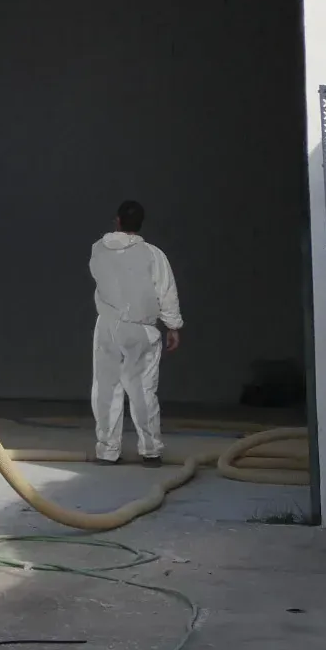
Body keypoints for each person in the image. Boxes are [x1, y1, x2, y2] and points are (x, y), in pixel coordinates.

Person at [89, 200, 182, 466]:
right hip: (141, 329)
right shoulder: (153, 255)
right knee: (142, 389)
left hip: (107, 327)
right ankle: (150, 450)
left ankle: (107, 450)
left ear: (117, 220)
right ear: (141, 224)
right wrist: (172, 325)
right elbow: (166, 290)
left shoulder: (98, 250)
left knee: (107, 389)